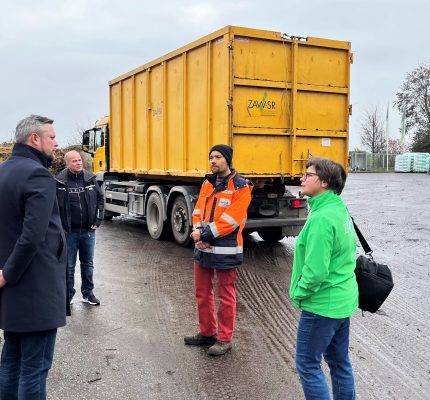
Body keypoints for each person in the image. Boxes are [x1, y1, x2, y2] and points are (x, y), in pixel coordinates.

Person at [0, 115, 69, 399]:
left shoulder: (4, 171)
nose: (56, 143)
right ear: (35, 139)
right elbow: (32, 235)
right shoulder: (37, 174)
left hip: (11, 288)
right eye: (51, 137)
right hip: (34, 288)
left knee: (11, 362)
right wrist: (9, 272)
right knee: (34, 369)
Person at [289, 157, 358, 400]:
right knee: (339, 361)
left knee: (307, 365)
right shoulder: (338, 208)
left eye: (308, 175)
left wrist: (298, 292)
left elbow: (316, 271)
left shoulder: (321, 218)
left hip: (322, 305)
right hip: (342, 301)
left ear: (325, 183)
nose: (302, 178)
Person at [184, 144, 252, 356]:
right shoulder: (207, 183)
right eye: (211, 157)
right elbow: (198, 211)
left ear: (228, 161)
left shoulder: (241, 187)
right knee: (202, 292)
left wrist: (203, 236)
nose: (213, 161)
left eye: (218, 157)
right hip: (203, 246)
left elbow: (231, 221)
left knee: (226, 295)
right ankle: (207, 333)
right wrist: (197, 233)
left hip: (226, 249)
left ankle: (224, 339)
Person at [56, 150, 104, 305]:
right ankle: (68, 295)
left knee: (88, 264)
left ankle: (88, 294)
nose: (78, 163)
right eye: (74, 161)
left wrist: (98, 219)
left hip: (88, 231)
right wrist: (60, 226)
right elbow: (53, 206)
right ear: (67, 163)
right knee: (69, 266)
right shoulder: (59, 182)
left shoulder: (90, 179)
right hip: (69, 232)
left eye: (79, 160)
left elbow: (100, 199)